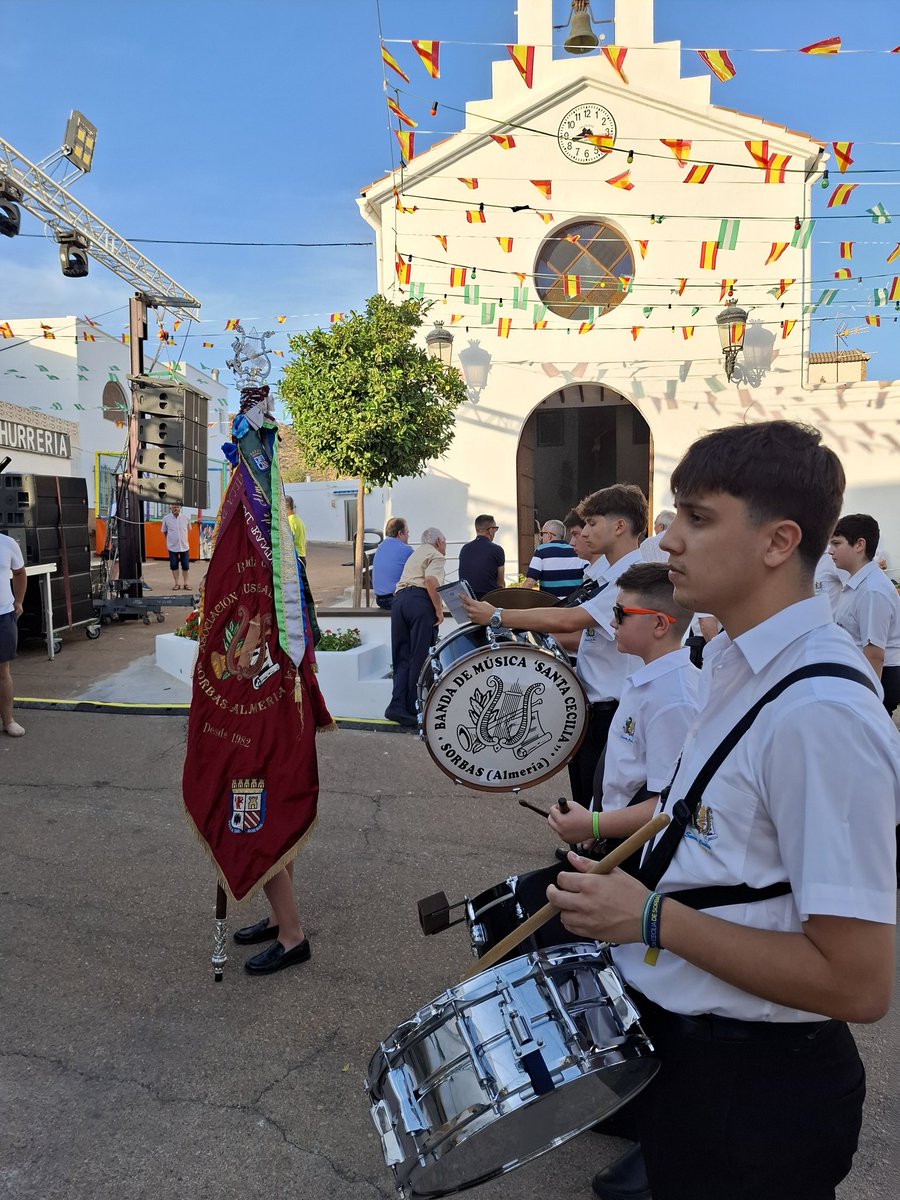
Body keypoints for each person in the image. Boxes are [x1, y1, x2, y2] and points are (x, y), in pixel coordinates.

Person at [546, 420, 899, 1200]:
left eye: (697, 518)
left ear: (779, 542)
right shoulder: (738, 662)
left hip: (759, 1092)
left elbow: (860, 983)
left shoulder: (821, 712)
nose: (667, 541)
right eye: (673, 514)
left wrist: (648, 920)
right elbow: (694, 824)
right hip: (701, 1065)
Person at [462, 484, 648, 806]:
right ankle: (582, 851)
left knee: (602, 799)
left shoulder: (630, 578)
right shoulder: (609, 576)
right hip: (596, 704)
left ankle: (595, 853)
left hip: (612, 708)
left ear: (619, 527)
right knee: (587, 790)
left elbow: (569, 621)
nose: (583, 533)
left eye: (592, 524)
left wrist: (499, 616)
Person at [829, 513, 900, 715]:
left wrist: (869, 702)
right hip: (862, 674)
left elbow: (875, 654)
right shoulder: (857, 585)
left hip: (878, 678)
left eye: (836, 543)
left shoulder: (872, 590)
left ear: (859, 545)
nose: (830, 551)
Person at [385, 528, 446, 727]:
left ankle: (396, 706)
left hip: (399, 601)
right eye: (444, 542)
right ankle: (413, 709)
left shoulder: (415, 554)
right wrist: (438, 609)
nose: (444, 545)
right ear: (438, 541)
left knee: (402, 656)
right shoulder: (435, 554)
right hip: (420, 602)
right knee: (419, 656)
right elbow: (430, 580)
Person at [519, 518, 585, 600]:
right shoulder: (577, 551)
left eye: (542, 534)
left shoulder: (541, 551)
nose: (541, 538)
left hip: (551, 607)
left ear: (549, 535)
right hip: (575, 607)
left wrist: (519, 602)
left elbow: (529, 583)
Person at [0, 531, 27, 737]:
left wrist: (18, 601)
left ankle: (8, 720)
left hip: (3, 615)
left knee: (3, 671)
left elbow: (19, 573)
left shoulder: (7, 544)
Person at [458, 514, 504, 600]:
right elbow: (500, 583)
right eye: (495, 529)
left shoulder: (464, 549)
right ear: (490, 530)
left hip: (468, 599)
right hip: (489, 599)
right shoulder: (497, 550)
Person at [371, 517, 413, 610]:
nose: (408, 536)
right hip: (394, 599)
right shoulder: (406, 550)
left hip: (379, 599)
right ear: (400, 533)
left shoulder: (381, 547)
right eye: (407, 533)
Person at [160, 502, 191, 591]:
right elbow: (164, 531)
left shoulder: (186, 518)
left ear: (180, 508)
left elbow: (188, 530)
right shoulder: (166, 519)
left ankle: (186, 584)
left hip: (184, 546)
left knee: (185, 566)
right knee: (174, 565)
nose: (175, 509)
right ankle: (177, 584)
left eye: (177, 507)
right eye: (173, 507)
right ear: (170, 508)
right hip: (172, 547)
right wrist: (169, 541)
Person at [284, 495, 307, 565]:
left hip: (295, 558)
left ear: (287, 507)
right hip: (302, 556)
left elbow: (287, 542)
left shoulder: (290, 522)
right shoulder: (298, 520)